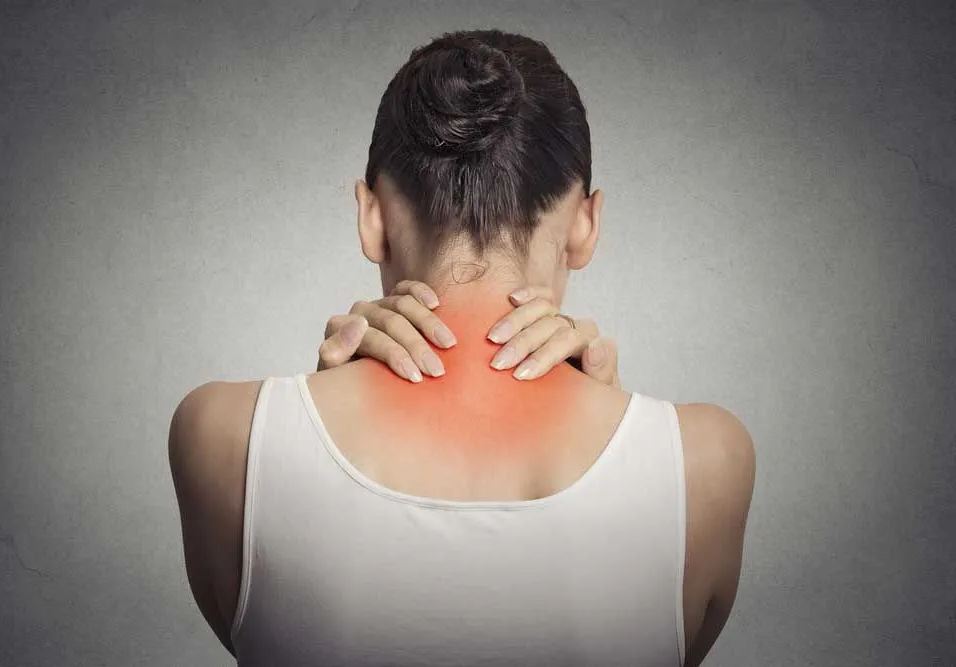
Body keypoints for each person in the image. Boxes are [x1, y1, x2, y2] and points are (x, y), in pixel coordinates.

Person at [168, 29, 755, 666]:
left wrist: (298, 423)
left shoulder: (220, 437)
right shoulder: (708, 463)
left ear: (372, 217)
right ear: (585, 225)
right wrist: (631, 439)